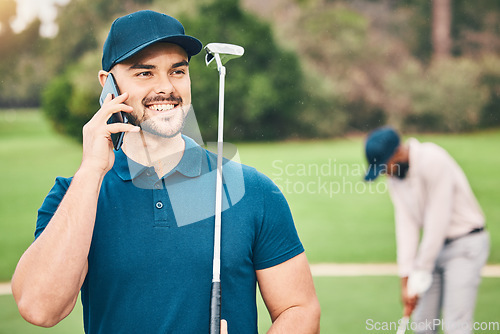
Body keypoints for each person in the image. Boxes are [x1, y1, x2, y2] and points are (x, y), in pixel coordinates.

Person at [11, 10, 320, 334]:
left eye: (177, 71)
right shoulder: (73, 195)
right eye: (145, 73)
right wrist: (91, 169)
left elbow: (299, 309)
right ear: (109, 85)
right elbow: (40, 308)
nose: (166, 88)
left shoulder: (251, 189)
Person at [363, 127, 489, 334]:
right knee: (422, 324)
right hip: (432, 251)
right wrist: (406, 281)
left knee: (456, 326)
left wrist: (420, 270)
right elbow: (406, 226)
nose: (385, 173)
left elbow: (437, 222)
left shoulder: (433, 160)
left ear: (399, 152)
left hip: (465, 244)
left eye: (385, 166)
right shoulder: (395, 177)